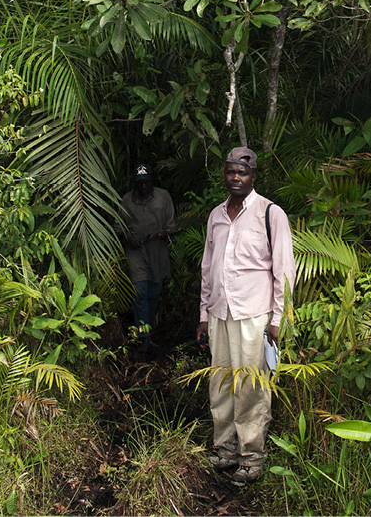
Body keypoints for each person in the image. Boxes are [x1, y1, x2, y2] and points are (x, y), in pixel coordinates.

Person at [196, 146, 295, 484]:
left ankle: (252, 456)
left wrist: (278, 320)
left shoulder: (271, 214)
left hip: (255, 317)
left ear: (253, 176)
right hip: (220, 315)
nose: (235, 177)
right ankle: (225, 450)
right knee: (220, 384)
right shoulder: (216, 215)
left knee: (252, 388)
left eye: (242, 172)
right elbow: (208, 268)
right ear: (224, 175)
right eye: (230, 171)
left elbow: (284, 271)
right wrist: (204, 314)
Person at [119, 163, 175, 350]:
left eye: (146, 182)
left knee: (153, 293)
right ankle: (143, 336)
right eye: (140, 182)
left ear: (152, 182)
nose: (143, 186)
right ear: (135, 183)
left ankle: (148, 330)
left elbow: (171, 225)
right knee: (140, 292)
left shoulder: (163, 197)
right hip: (136, 252)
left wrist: (162, 233)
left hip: (157, 252)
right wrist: (128, 238)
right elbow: (119, 227)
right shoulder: (127, 200)